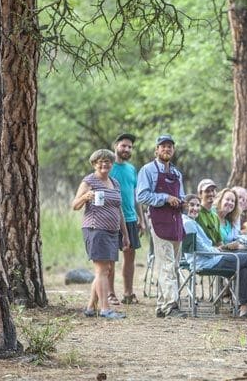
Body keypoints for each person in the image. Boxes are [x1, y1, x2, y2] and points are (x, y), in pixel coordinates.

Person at [72, 149, 129, 319]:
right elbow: (75, 205)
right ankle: (105, 309)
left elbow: (119, 210)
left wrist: (124, 234)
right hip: (96, 229)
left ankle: (90, 307)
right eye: (100, 162)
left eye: (108, 161)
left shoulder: (114, 182)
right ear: (94, 164)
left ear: (112, 164)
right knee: (102, 270)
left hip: (112, 231)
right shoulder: (89, 181)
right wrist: (85, 197)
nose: (104, 164)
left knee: (107, 270)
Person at [137, 134, 187, 318]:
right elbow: (142, 196)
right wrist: (165, 198)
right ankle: (171, 306)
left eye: (170, 147)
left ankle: (161, 305)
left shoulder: (176, 173)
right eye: (163, 146)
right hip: (159, 222)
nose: (167, 149)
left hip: (176, 222)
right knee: (166, 264)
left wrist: (183, 202)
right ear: (156, 150)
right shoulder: (147, 170)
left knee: (173, 266)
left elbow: (181, 195)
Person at [182, 194, 247, 318]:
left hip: (209, 257)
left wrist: (217, 250)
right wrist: (218, 250)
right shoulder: (188, 224)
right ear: (184, 206)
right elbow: (200, 248)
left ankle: (245, 307)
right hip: (205, 261)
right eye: (191, 205)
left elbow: (201, 245)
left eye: (197, 205)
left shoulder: (190, 222)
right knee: (246, 257)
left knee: (242, 268)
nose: (195, 208)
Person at [109, 133, 146, 305]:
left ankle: (128, 293)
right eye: (123, 146)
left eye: (130, 147)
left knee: (129, 256)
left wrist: (141, 218)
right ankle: (110, 294)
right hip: (111, 218)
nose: (126, 149)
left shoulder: (132, 169)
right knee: (109, 258)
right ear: (115, 146)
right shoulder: (107, 167)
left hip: (130, 218)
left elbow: (135, 194)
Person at [196, 178, 222, 246]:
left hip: (216, 253)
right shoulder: (196, 213)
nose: (211, 194)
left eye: (213, 190)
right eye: (207, 191)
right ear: (200, 194)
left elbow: (219, 243)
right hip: (203, 254)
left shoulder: (216, 217)